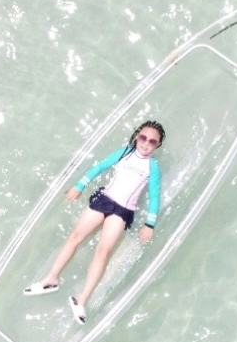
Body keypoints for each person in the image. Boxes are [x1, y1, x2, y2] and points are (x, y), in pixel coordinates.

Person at [23, 120, 164, 324]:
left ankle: (81, 300)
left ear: (157, 145)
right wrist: (79, 186)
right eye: (143, 137)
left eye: (152, 141)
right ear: (137, 135)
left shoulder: (152, 167)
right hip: (104, 200)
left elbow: (155, 196)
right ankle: (51, 279)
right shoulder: (124, 152)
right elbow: (99, 167)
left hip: (123, 210)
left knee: (103, 252)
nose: (145, 143)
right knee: (74, 238)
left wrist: (149, 224)